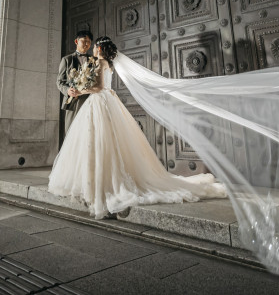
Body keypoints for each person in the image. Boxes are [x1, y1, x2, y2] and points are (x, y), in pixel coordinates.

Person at [49, 36, 226, 219]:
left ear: (100, 49)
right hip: (104, 102)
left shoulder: (101, 63)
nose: (92, 49)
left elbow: (99, 87)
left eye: (94, 47)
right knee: (101, 142)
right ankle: (94, 183)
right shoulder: (104, 63)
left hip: (100, 101)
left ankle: (101, 185)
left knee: (101, 141)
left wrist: (81, 90)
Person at [56, 30, 93, 136]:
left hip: (89, 100)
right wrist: (67, 90)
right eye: (84, 41)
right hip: (73, 102)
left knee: (88, 133)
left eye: (89, 42)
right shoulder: (67, 60)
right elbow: (59, 81)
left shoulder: (93, 60)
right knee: (72, 133)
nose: (86, 44)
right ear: (76, 41)